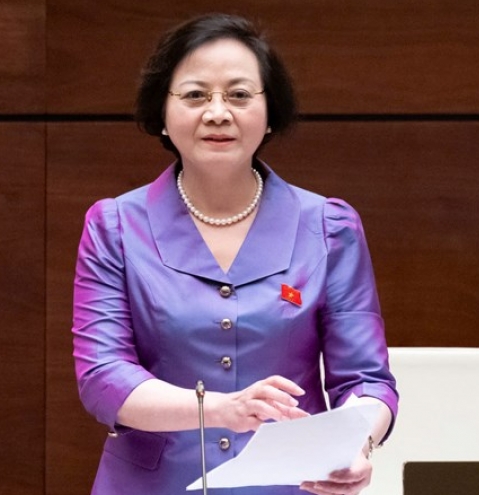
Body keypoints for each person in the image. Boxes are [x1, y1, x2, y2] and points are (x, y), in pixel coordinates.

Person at [72, 13, 398, 495]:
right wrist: (220, 409)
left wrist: (355, 444)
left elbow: (366, 379)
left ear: (270, 112)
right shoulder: (115, 226)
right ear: (162, 111)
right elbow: (102, 376)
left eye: (240, 95)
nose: (218, 113)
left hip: (292, 485)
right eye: (195, 95)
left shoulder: (329, 227)